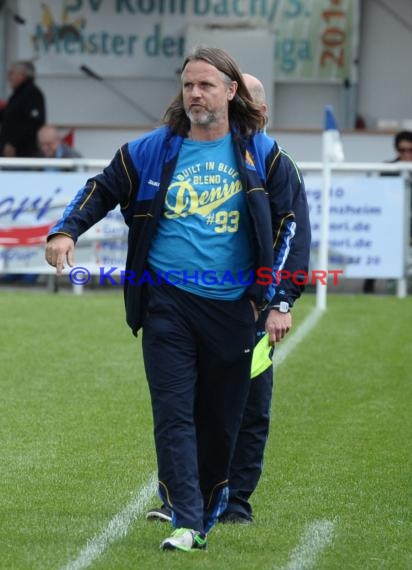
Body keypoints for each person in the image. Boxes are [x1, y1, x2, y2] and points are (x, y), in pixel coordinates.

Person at [45, 47, 297, 552]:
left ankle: (212, 500)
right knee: (174, 410)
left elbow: (291, 229)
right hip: (165, 301)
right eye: (188, 86)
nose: (195, 94)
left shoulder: (263, 156)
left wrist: (278, 299)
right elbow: (103, 187)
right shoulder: (152, 150)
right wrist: (66, 230)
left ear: (231, 92)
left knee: (219, 418)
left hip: (233, 306)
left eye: (206, 85)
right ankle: (187, 519)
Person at [146, 73, 311, 526]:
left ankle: (236, 499)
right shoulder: (193, 154)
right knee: (184, 402)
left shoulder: (276, 165)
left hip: (251, 307)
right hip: (198, 305)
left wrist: (280, 300)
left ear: (260, 110)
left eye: (255, 107)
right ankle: (181, 498)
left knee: (250, 405)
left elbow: (295, 240)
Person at [363, 130, 412, 294]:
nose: (406, 154)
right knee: (377, 238)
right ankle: (368, 285)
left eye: (410, 150)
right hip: (393, 220)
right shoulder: (388, 169)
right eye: (402, 150)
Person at [0, 60, 46, 157]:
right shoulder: (18, 95)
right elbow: (8, 116)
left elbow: (33, 123)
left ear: (22, 75)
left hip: (23, 152)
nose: (9, 78)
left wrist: (13, 143)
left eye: (11, 73)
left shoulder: (32, 94)